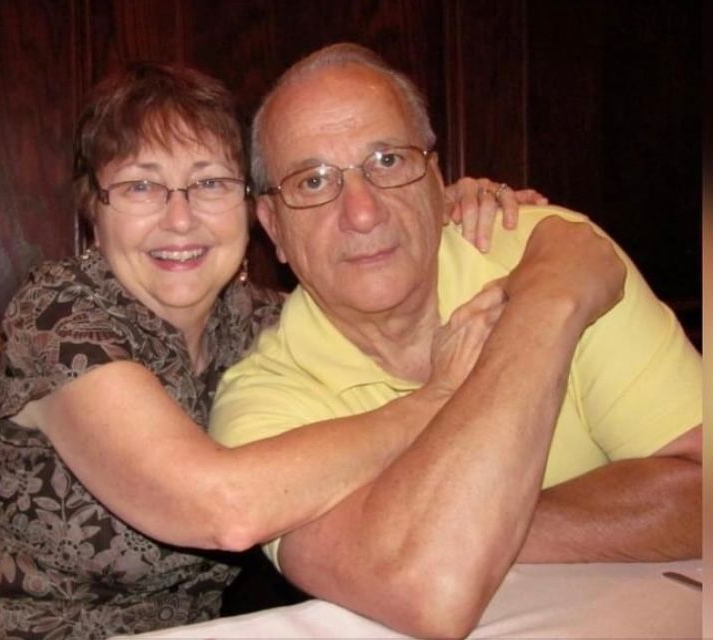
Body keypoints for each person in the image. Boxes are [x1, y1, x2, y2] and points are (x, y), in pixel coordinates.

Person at [0, 62, 543, 639]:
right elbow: (221, 509)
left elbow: (381, 279)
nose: (180, 218)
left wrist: (449, 210)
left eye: (210, 183)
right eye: (140, 186)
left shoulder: (266, 326)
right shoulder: (60, 315)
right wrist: (435, 399)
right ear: (94, 213)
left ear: (254, 211)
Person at [209, 43, 701, 637]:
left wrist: (455, 531)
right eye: (313, 181)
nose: (362, 212)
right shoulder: (262, 403)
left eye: (388, 160)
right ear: (274, 228)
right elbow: (425, 588)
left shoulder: (548, 247)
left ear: (436, 180)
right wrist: (546, 310)